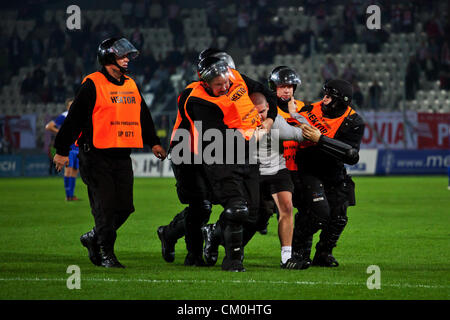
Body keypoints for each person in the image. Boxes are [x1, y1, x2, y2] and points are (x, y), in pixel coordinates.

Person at [157, 49, 277, 271]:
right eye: (219, 83)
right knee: (201, 205)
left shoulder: (234, 78)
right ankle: (190, 251)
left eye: (228, 77)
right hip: (189, 153)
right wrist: (252, 135)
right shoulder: (194, 98)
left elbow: (265, 93)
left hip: (221, 149)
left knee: (233, 206)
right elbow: (217, 137)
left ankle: (193, 237)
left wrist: (268, 120)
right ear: (204, 80)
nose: (227, 85)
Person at [53, 37, 166, 268]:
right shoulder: (92, 84)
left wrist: (153, 142)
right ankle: (106, 253)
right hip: (94, 155)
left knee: (125, 207)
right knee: (105, 207)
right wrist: (62, 150)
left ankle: (93, 237)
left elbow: (142, 114)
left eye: (127, 57)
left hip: (121, 156)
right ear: (107, 58)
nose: (127, 60)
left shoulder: (131, 84)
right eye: (122, 56)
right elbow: (73, 119)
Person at [289, 79, 365, 268]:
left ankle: (324, 253)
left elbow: (351, 155)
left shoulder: (353, 122)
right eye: (324, 95)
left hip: (334, 171)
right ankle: (298, 251)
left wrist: (320, 139)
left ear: (340, 101)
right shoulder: (307, 110)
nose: (324, 100)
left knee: (339, 216)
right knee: (317, 213)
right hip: (307, 169)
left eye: (329, 97)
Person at [250, 92, 310, 269]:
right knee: (252, 216)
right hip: (251, 171)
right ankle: (218, 237)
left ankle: (286, 257)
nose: (260, 116)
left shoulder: (276, 122)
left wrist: (295, 115)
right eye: (256, 112)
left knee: (287, 207)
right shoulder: (239, 124)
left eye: (263, 111)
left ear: (268, 108)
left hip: (277, 168)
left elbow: (304, 134)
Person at [45, 98, 80, 201]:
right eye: (70, 105)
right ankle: (67, 195)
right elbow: (49, 126)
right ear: (67, 107)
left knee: (74, 171)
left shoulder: (78, 115)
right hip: (68, 149)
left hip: (77, 148)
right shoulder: (65, 115)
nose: (72, 106)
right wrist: (61, 134)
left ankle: (71, 195)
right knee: (68, 171)